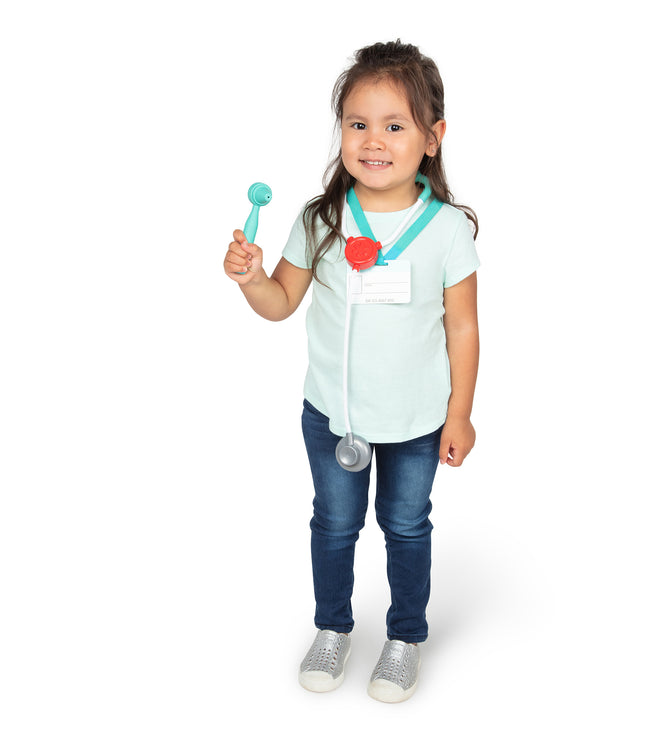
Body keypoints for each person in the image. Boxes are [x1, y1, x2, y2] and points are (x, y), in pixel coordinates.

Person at [223, 40, 479, 703]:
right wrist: (252, 280)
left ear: (432, 137)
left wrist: (459, 413)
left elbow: (462, 328)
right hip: (332, 416)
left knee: (406, 527)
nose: (373, 140)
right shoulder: (321, 219)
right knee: (334, 526)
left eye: (395, 125)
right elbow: (280, 303)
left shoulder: (448, 229)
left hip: (417, 422)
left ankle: (404, 637)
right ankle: (333, 627)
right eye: (358, 123)